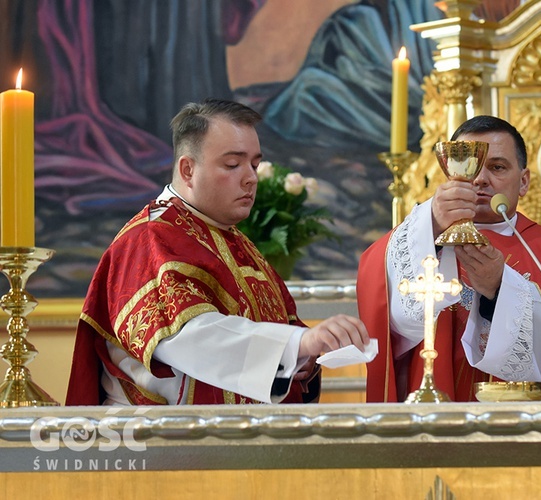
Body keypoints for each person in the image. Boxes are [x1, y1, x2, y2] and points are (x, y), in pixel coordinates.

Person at [66, 99, 369, 406]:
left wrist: (302, 359)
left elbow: (282, 331)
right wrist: (297, 344)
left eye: (254, 164)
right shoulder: (150, 240)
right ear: (188, 170)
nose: (251, 177)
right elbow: (189, 338)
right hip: (161, 441)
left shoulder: (236, 242)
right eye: (233, 164)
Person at [358, 115, 541, 402]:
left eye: (497, 167)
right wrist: (431, 222)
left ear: (523, 182)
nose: (479, 179)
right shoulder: (422, 243)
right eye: (469, 167)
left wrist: (501, 289)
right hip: (437, 422)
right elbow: (376, 288)